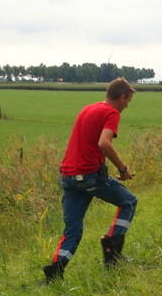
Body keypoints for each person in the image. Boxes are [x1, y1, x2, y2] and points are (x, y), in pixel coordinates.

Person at [44, 77, 138, 283]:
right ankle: (112, 252)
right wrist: (122, 168)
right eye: (128, 101)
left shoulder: (89, 108)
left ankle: (55, 272)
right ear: (122, 97)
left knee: (73, 230)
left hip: (68, 176)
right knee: (129, 201)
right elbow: (104, 143)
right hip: (87, 176)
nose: (127, 106)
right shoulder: (111, 113)